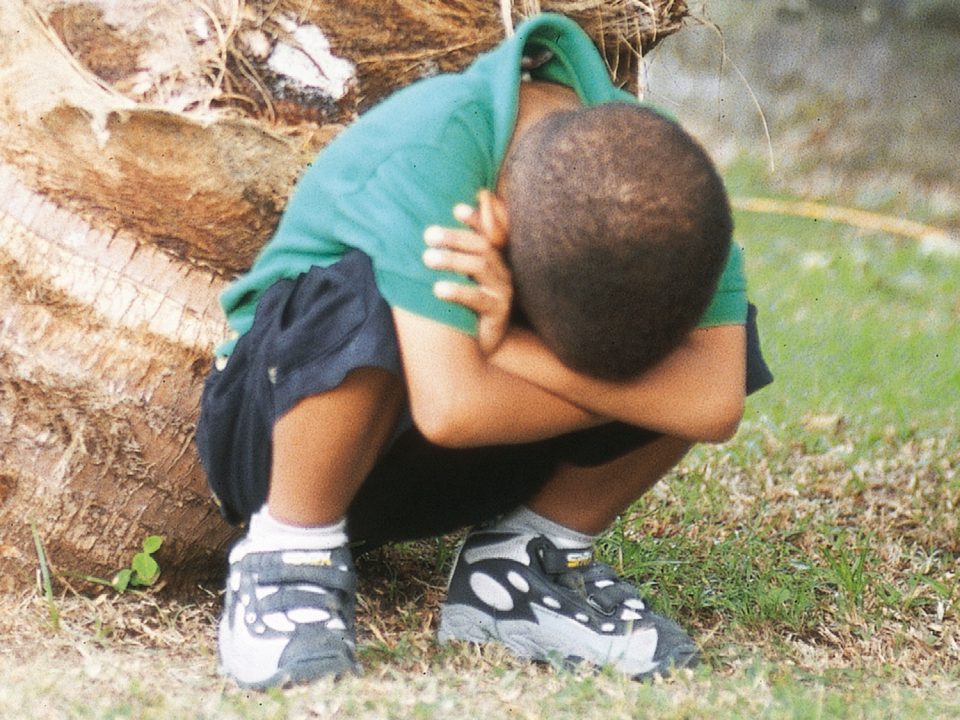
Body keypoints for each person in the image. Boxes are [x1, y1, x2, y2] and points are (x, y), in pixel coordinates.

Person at [196, 12, 772, 690]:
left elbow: (709, 402)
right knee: (358, 298)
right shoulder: (432, 152)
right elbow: (452, 410)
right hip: (278, 444)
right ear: (492, 224)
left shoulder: (665, 186)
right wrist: (630, 387)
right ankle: (287, 561)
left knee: (696, 338)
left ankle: (524, 566)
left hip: (470, 454)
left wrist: (509, 344)